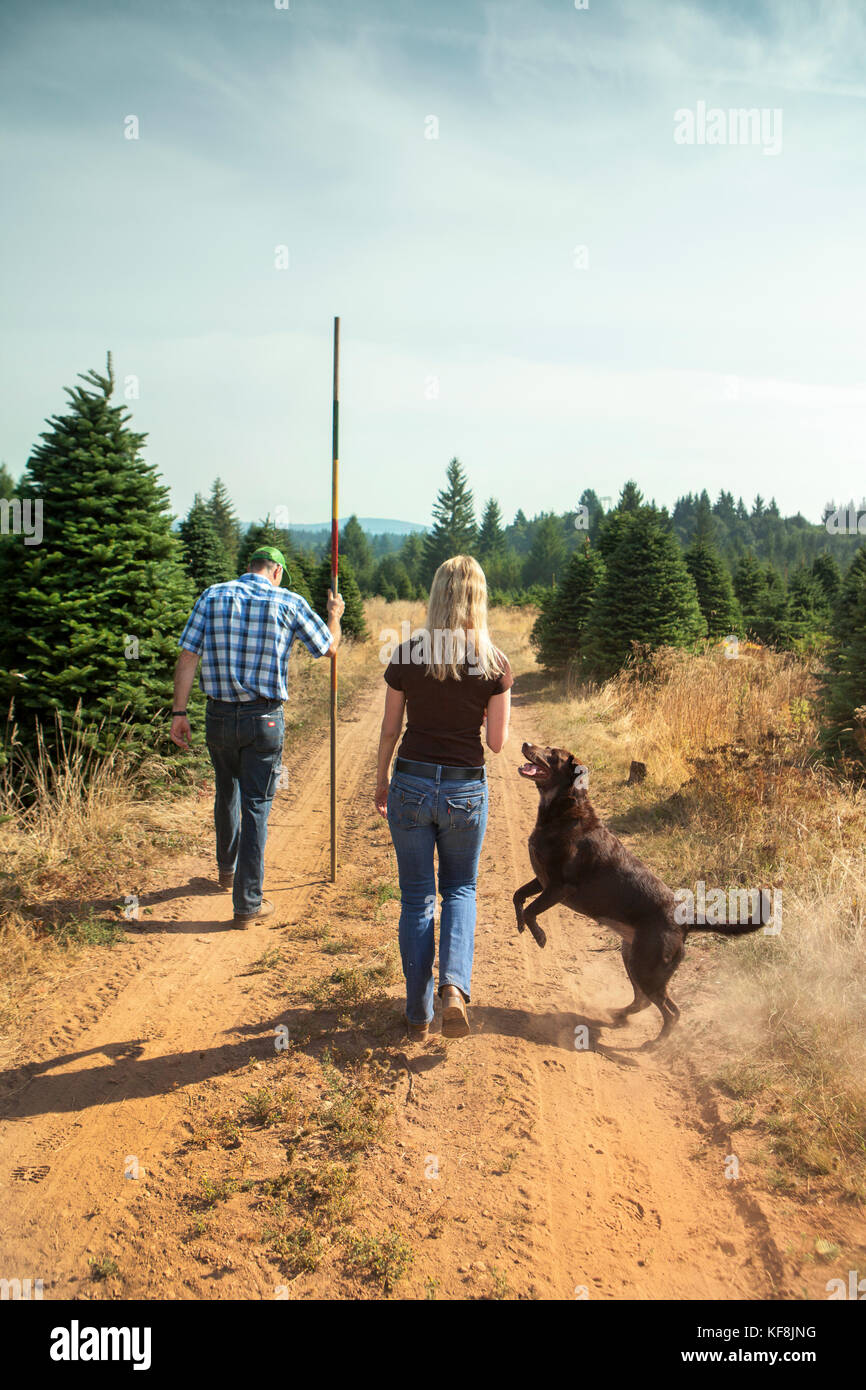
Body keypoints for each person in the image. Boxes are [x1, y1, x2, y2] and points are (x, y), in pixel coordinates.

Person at [375, 555, 512, 1040]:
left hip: (410, 783)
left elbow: (391, 728)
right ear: (479, 599)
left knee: (416, 897)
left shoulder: (408, 654)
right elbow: (496, 743)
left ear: (437, 596)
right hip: (463, 790)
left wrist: (381, 778)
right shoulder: (494, 664)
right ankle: (453, 989)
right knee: (460, 889)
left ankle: (417, 1011)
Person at [170, 545, 345, 925]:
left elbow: (187, 656)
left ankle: (226, 870)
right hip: (263, 719)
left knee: (226, 788)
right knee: (256, 804)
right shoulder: (288, 602)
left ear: (248, 568)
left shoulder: (212, 595)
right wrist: (334, 616)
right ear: (277, 572)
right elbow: (329, 648)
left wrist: (179, 712)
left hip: (217, 716)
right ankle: (248, 904)